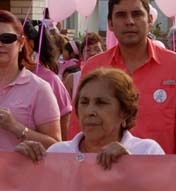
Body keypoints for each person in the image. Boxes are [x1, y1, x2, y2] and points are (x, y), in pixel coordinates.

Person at [72, 0, 176, 154]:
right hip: (103, 172)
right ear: (110, 24)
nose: (129, 22)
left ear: (149, 20)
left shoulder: (174, 66)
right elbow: (78, 125)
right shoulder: (95, 67)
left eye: (136, 14)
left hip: (159, 173)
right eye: (121, 15)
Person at [16, 68, 165, 169]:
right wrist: (22, 166)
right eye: (84, 102)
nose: (90, 111)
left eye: (101, 103)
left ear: (125, 112)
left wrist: (130, 166)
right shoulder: (58, 153)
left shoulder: (147, 152)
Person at [0, 10, 61, 151]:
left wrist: (16, 127)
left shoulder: (39, 88)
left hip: (21, 172)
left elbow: (56, 147)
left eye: (6, 38)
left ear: (21, 43)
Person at [23, 20, 72, 140]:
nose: (0, 44)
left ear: (30, 44)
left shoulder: (50, 81)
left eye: (9, 38)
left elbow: (63, 133)